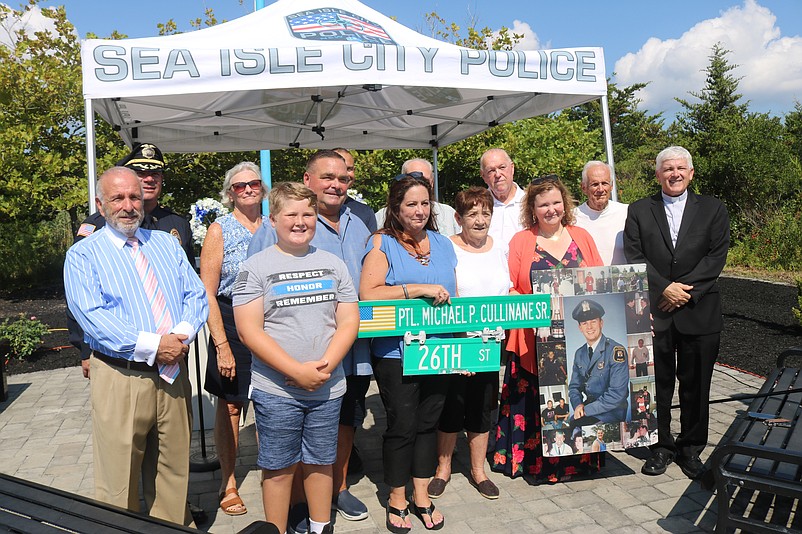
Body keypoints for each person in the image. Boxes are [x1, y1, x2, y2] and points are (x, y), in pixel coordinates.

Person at [64, 166, 208, 526]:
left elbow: (196, 295)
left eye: (134, 197)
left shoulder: (164, 243)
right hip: (121, 376)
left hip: (173, 373)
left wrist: (180, 337)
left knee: (172, 473)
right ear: (100, 203)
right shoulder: (83, 255)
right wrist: (154, 345)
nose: (128, 205)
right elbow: (92, 317)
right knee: (118, 482)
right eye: (117, 198)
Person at [248, 150, 373, 532]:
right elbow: (251, 328)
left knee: (322, 458)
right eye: (292, 215)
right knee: (279, 464)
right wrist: (296, 371)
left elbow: (348, 318)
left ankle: (322, 525)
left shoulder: (339, 256)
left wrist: (325, 367)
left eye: (306, 215)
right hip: (278, 386)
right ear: (274, 220)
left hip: (329, 379)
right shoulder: (258, 264)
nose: (300, 222)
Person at [624, 145, 730, 480]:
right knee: (658, 384)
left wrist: (683, 291)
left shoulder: (713, 208)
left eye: (681, 168)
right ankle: (661, 446)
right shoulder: (640, 209)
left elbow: (716, 256)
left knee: (697, 384)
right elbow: (633, 253)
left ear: (691, 172)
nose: (675, 174)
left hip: (700, 310)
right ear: (657, 174)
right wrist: (662, 288)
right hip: (657, 312)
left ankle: (691, 448)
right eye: (668, 168)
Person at [360, 173, 457, 532]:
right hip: (396, 353)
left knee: (428, 424)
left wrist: (461, 349)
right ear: (396, 209)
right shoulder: (381, 243)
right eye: (411, 204)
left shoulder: (443, 243)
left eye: (424, 203)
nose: (419, 211)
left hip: (440, 350)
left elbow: (454, 297)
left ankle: (422, 494)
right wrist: (417, 288)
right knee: (402, 425)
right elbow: (368, 293)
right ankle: (396, 498)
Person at [492, 174, 603, 482]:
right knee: (537, 403)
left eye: (556, 202)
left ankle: (576, 463)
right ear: (533, 208)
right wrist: (533, 310)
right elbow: (510, 288)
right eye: (543, 204)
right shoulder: (521, 241)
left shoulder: (582, 236)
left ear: (565, 204)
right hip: (533, 340)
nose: (551, 209)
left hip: (576, 340)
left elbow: (600, 283)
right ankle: (538, 465)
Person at [68, 142, 195, 379]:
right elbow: (81, 297)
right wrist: (85, 351)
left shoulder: (176, 224)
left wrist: (179, 338)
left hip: (174, 355)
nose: (148, 179)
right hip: (123, 362)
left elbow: (187, 286)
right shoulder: (97, 226)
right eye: (141, 173)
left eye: (154, 173)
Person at [428, 187, 508, 502]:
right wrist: (463, 346)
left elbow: (509, 290)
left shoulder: (499, 248)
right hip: (457, 342)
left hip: (491, 342)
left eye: (485, 213)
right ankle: (442, 469)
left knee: (481, 407)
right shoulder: (448, 248)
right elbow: (445, 293)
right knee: (452, 406)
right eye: (472, 214)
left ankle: (478, 471)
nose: (480, 220)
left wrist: (536, 307)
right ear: (459, 218)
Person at [200, 162, 266, 516]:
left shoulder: (275, 224)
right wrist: (222, 345)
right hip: (230, 319)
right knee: (230, 407)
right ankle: (228, 482)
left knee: (272, 401)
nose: (248, 190)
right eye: (239, 186)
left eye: (253, 183)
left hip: (271, 321)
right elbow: (208, 292)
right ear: (230, 194)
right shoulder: (219, 230)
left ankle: (274, 473)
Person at [567, 299, 629, 426]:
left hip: (611, 411)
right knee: (571, 426)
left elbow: (617, 394)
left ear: (601, 323)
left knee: (577, 428)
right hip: (589, 408)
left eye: (593, 322)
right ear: (580, 328)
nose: (589, 327)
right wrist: (578, 405)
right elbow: (574, 387)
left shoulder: (616, 351)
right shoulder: (579, 353)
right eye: (584, 323)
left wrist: (585, 410)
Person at [375, 158, 460, 236]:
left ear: (432, 182)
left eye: (425, 180)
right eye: (413, 178)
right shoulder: (381, 217)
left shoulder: (448, 214)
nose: (419, 183)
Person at [573, 161, 629, 266]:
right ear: (584, 188)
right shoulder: (572, 218)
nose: (600, 189)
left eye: (604, 183)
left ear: (611, 186)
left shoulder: (627, 213)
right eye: (594, 184)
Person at [479, 148, 525, 250]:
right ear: (483, 176)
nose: (498, 174)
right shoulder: (477, 207)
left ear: (512, 168)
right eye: (491, 170)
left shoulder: (531, 203)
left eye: (502, 167)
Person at [333, 148, 378, 233]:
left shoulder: (365, 212)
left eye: (349, 169)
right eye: (339, 168)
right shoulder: (309, 208)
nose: (344, 174)